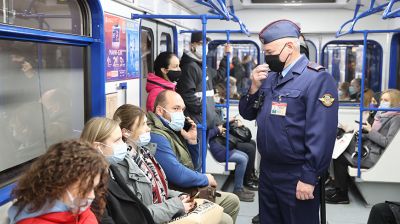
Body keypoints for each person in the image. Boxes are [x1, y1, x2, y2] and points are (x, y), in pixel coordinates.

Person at [239, 19, 338, 224]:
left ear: (290, 46)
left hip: (297, 174)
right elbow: (248, 113)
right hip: (267, 170)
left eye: (271, 52)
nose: (267, 57)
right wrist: (254, 87)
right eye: (265, 52)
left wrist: (309, 177)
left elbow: (322, 134)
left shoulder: (316, 79)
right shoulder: (270, 78)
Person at [147, 90, 240, 224]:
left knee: (233, 201)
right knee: (225, 219)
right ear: (160, 111)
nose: (180, 114)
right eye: (175, 108)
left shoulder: (174, 130)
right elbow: (177, 174)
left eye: (182, 109)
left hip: (185, 189)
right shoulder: (157, 135)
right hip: (176, 193)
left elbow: (195, 165)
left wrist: (192, 141)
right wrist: (204, 178)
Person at [112, 104, 196, 223]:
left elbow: (158, 189)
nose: (148, 128)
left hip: (165, 212)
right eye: (143, 124)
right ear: (126, 132)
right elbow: (139, 213)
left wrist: (180, 197)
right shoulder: (121, 166)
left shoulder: (144, 152)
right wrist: (176, 205)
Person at [326, 89, 400, 204]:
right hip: (370, 149)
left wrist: (370, 131)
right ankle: (336, 185)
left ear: (394, 102)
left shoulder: (396, 118)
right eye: (382, 99)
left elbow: (387, 143)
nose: (382, 102)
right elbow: (373, 136)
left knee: (339, 158)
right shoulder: (382, 115)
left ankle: (342, 194)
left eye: (386, 100)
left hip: (376, 156)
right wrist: (359, 134)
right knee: (338, 147)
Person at [8, 140, 109, 224]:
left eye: (93, 188)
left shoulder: (73, 207)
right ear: (61, 182)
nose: (92, 196)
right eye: (86, 187)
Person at [80, 117, 155, 224]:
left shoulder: (111, 169)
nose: (123, 144)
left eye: (121, 139)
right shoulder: (92, 184)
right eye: (117, 140)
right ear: (98, 147)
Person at [177, 31, 232, 129]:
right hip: (197, 122)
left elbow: (219, 76)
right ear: (191, 45)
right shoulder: (190, 67)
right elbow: (187, 95)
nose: (204, 47)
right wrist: (203, 110)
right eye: (201, 44)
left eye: (206, 44)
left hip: (205, 120)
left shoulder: (202, 66)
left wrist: (226, 56)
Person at [208, 123, 255, 202]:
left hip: (221, 144)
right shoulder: (203, 120)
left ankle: (240, 186)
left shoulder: (211, 116)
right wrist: (218, 129)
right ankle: (237, 190)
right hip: (218, 148)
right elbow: (206, 135)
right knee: (242, 160)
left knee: (245, 156)